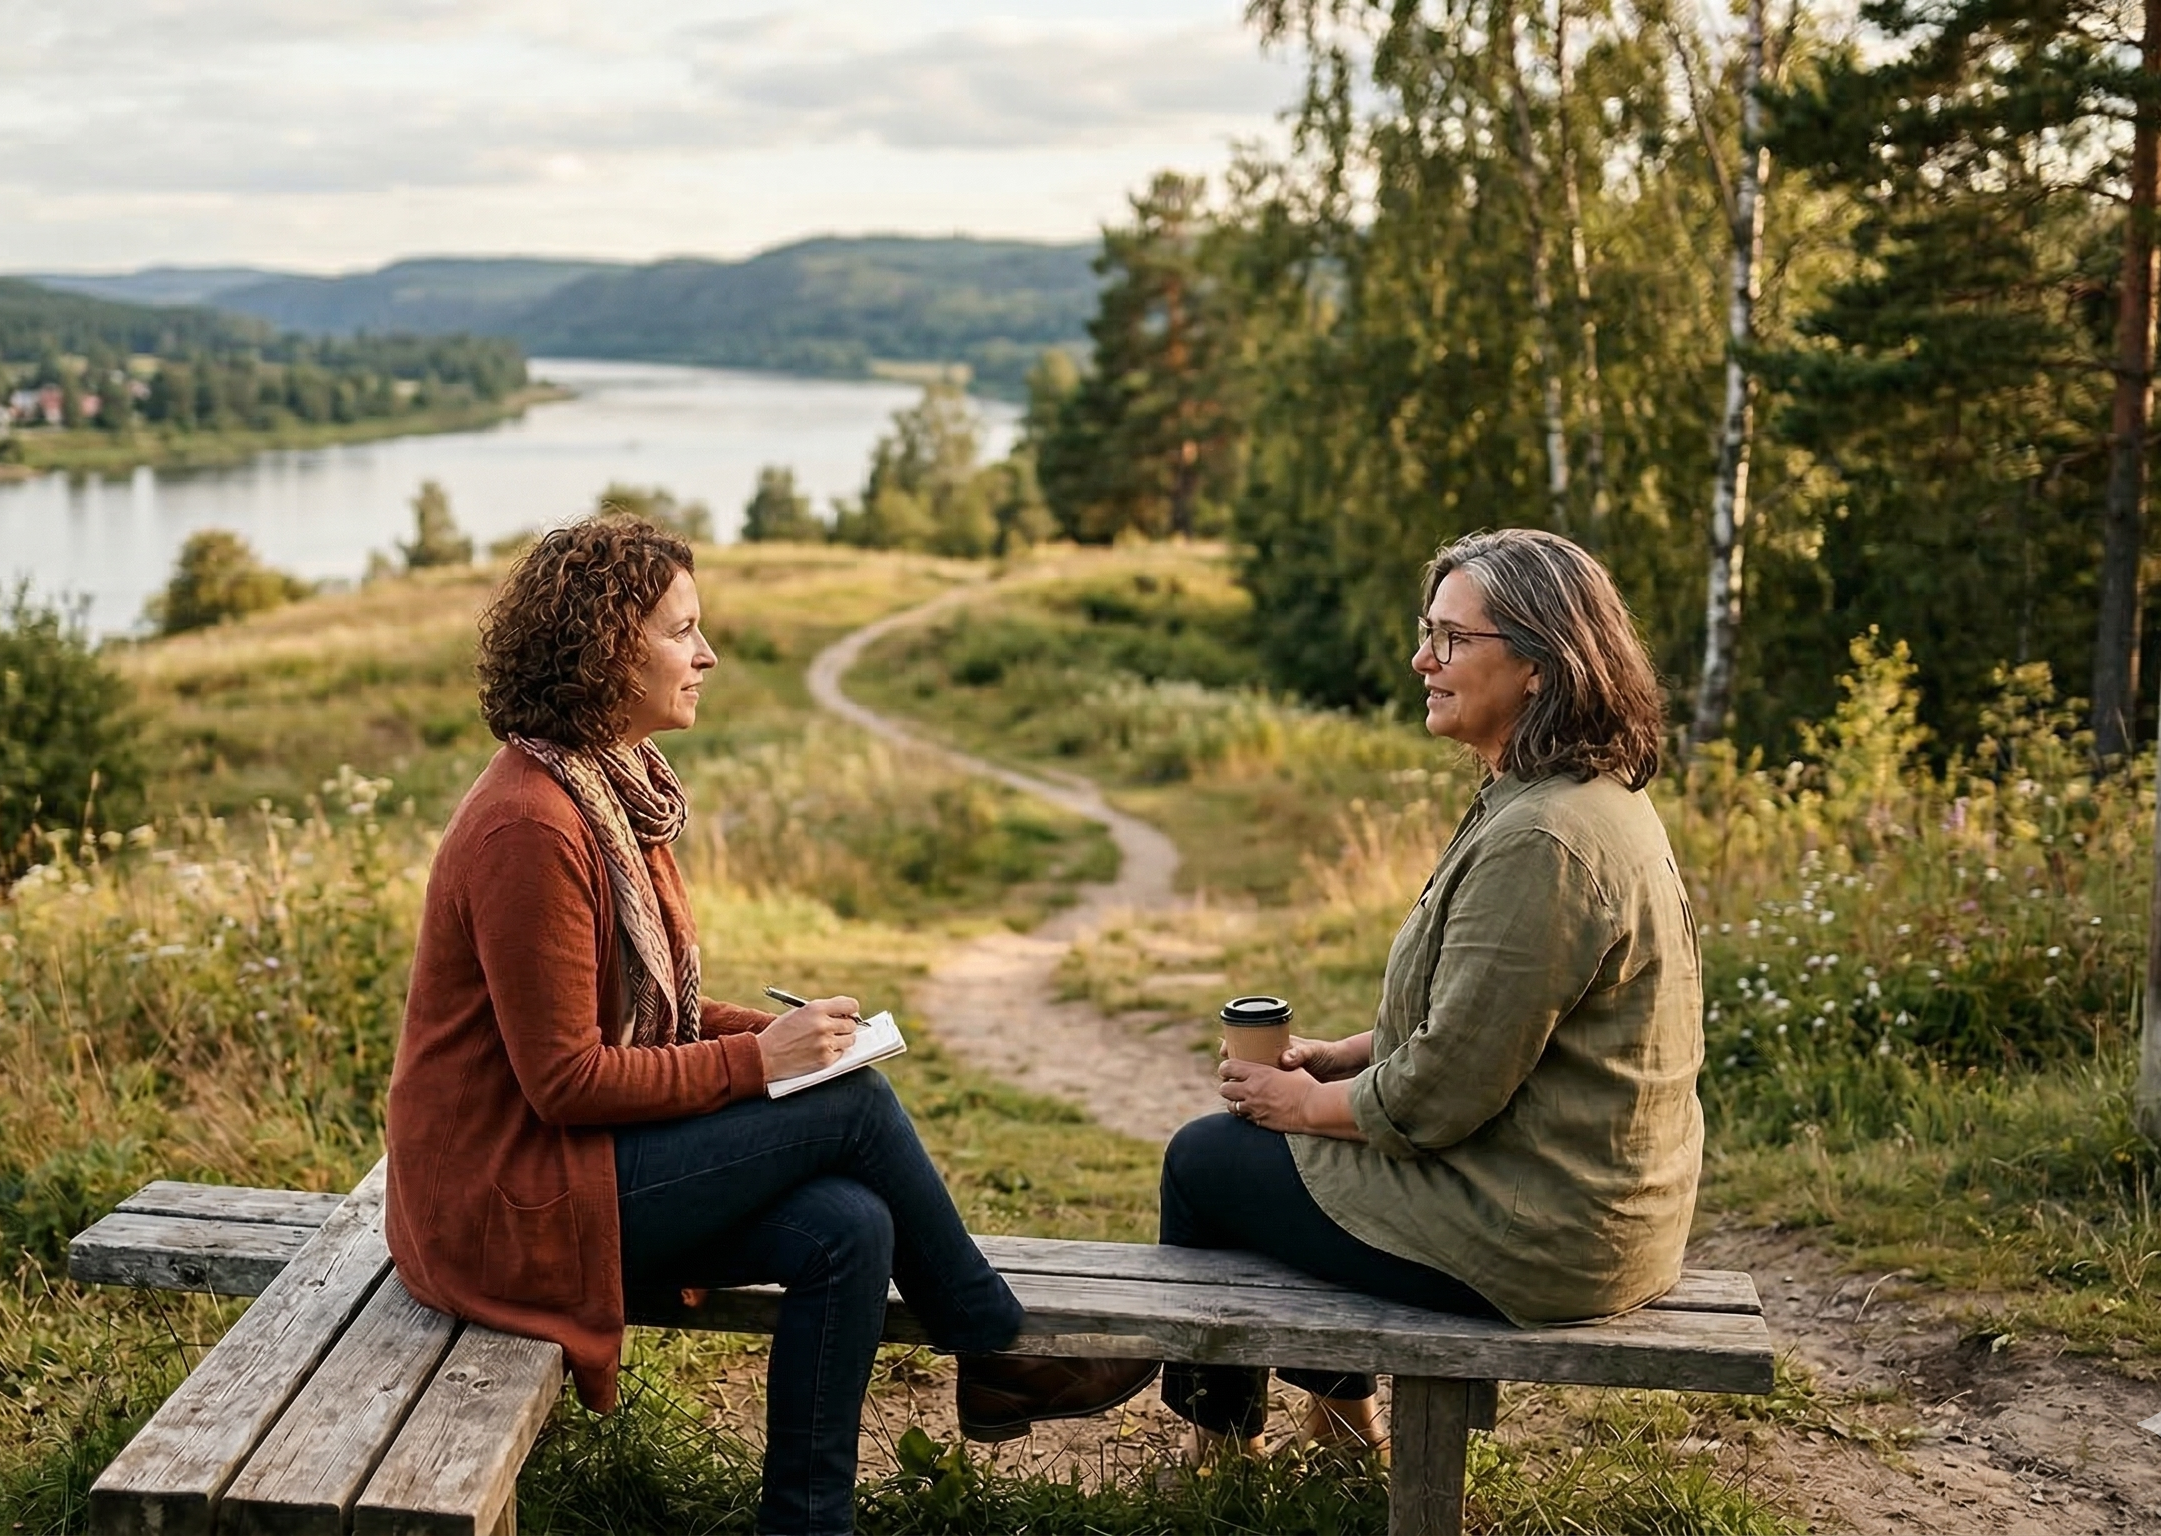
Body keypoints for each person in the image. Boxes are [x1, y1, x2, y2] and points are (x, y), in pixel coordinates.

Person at [381, 518, 1153, 1536]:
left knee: (851, 1227)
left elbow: (648, 1013)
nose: (705, 657)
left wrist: (791, 1037)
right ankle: (996, 1349)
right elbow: (562, 1078)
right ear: (606, 646)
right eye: (680, 632)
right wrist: (759, 1063)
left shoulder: (610, 791)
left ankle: (806, 1523)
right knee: (852, 1111)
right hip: (504, 1197)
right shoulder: (533, 822)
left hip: (566, 1165)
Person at [1169, 527, 1706, 1454]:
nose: (1424, 658)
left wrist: (1306, 1104)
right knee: (1263, 1165)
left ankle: (1224, 1448)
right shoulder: (1567, 796)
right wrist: (1348, 1058)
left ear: (1541, 663)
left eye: (1454, 639)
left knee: (1209, 1162)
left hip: (1544, 1233)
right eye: (1429, 632)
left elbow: (1443, 1096)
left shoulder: (1546, 839)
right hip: (1584, 1206)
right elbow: (1497, 1024)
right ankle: (1339, 1425)